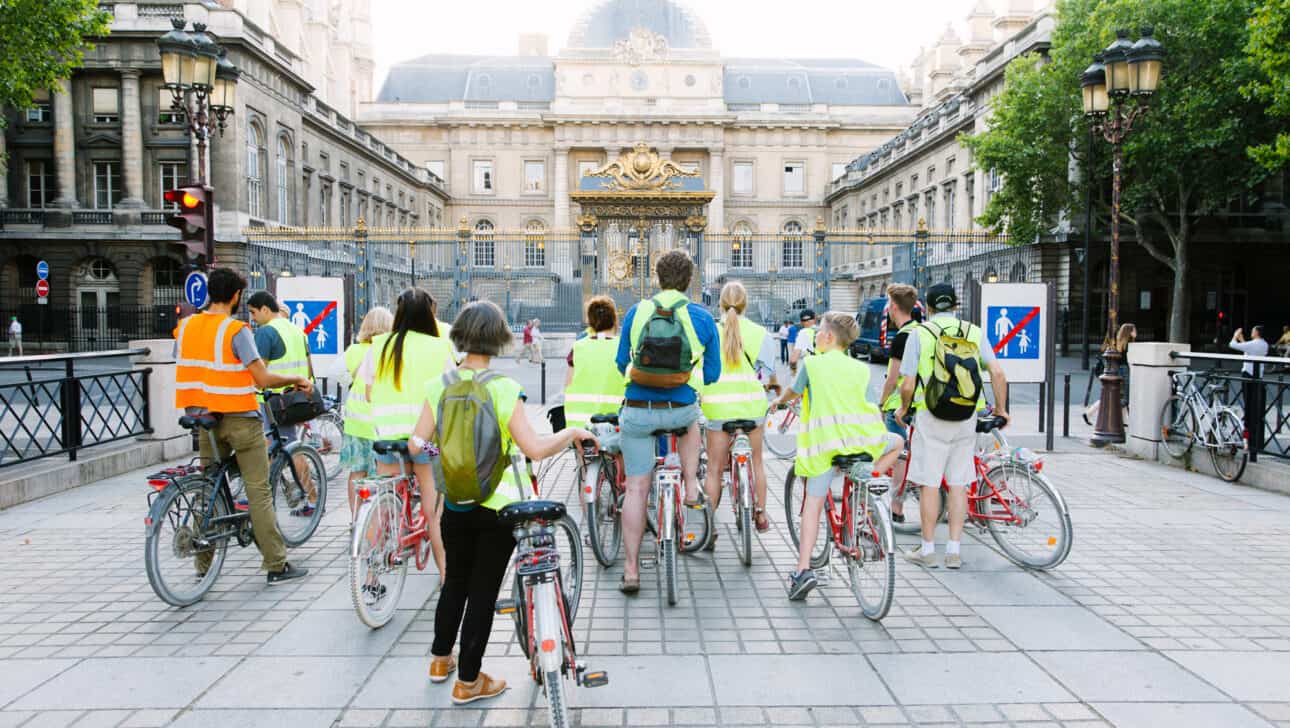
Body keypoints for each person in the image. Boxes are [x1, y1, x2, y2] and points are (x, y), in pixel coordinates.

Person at [415, 301, 596, 704]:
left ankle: (440, 659)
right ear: (499, 339)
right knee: (483, 590)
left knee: (455, 583)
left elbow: (416, 444)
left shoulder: (439, 383)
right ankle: (469, 680)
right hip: (498, 505)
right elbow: (533, 448)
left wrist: (442, 458)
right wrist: (571, 434)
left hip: (456, 501)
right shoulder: (503, 388)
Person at [173, 268, 310, 584]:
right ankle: (276, 564)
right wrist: (295, 379)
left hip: (203, 418)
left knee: (208, 489)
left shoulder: (185, 327)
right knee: (258, 490)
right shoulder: (236, 331)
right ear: (235, 296)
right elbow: (261, 378)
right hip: (237, 415)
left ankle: (202, 564)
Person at [770, 311, 902, 600]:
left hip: (825, 447)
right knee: (898, 444)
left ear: (828, 337)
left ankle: (803, 569)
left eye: (819, 331)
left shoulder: (813, 364)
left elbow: (793, 392)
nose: (816, 335)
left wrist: (779, 402)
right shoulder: (860, 369)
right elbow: (869, 405)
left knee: (813, 506)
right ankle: (871, 479)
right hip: (862, 443)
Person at [615, 249, 721, 594]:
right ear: (690, 280)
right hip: (680, 406)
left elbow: (620, 364)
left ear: (656, 278)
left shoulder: (636, 311)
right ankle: (690, 485)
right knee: (691, 421)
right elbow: (715, 374)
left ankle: (631, 570)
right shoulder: (702, 317)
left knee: (635, 488)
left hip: (638, 407)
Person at [896, 283, 1009, 570]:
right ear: (956, 305)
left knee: (930, 484)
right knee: (959, 484)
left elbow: (907, 383)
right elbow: (997, 371)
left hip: (930, 415)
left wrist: (903, 408)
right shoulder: (973, 332)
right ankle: (955, 551)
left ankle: (928, 549)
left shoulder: (919, 334)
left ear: (928, 307)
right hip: (966, 415)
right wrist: (1001, 409)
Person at [358, 288, 454, 580]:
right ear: (429, 315)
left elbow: (369, 389)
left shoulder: (378, 345)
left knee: (382, 505)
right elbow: (450, 393)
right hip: (428, 442)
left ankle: (370, 577)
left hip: (388, 437)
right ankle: (445, 574)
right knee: (435, 509)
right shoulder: (439, 348)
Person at [701, 281, 776, 541]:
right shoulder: (760, 333)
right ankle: (762, 513)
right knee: (757, 463)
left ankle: (708, 528)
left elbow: (700, 372)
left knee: (713, 469)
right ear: (746, 304)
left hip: (718, 407)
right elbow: (766, 375)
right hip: (752, 407)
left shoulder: (709, 332)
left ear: (719, 304)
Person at [247, 291, 319, 516]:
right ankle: (311, 498)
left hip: (272, 401)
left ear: (265, 309)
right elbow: (309, 368)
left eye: (253, 312)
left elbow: (259, 374)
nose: (252, 318)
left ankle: (307, 498)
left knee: (278, 449)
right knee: (290, 447)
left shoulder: (266, 333)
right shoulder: (298, 331)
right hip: (295, 399)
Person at [340, 306, 393, 515]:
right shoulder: (386, 350)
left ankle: (355, 518)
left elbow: (335, 373)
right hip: (378, 423)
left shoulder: (354, 350)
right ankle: (377, 518)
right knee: (381, 474)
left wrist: (352, 381)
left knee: (357, 472)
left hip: (354, 421)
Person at [876, 284, 920, 524]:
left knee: (898, 454)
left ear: (893, 307)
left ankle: (896, 506)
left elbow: (893, 378)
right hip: (919, 401)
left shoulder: (902, 336)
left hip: (899, 405)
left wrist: (882, 404)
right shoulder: (921, 330)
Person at [564, 296, 624, 429]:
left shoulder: (578, 347)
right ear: (615, 320)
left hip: (579, 425)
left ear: (590, 322)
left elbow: (568, 384)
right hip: (615, 422)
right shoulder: (623, 347)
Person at [1084, 323, 1136, 425]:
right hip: (1123, 370)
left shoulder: (1119, 342)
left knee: (1118, 395)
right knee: (1122, 397)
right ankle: (1095, 414)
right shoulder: (1126, 344)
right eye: (1134, 330)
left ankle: (1124, 421)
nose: (1136, 332)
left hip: (1117, 369)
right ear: (1129, 332)